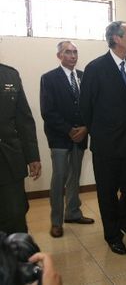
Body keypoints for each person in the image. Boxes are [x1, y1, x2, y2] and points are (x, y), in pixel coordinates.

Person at [79, 21, 126, 255]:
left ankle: (124, 221)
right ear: (116, 39)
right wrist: (100, 133)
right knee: (107, 192)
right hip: (106, 145)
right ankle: (112, 234)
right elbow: (86, 107)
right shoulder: (95, 68)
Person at [40, 41, 94, 239]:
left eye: (75, 52)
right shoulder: (49, 78)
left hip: (81, 136)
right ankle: (56, 222)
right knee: (59, 178)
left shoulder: (83, 77)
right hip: (60, 138)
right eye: (68, 52)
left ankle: (73, 213)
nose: (73, 56)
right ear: (59, 56)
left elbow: (90, 105)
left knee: (75, 176)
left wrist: (86, 128)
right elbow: (48, 111)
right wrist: (70, 130)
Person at [0, 63, 41, 234]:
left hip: (8, 159)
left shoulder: (10, 75)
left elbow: (23, 120)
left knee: (16, 213)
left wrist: (33, 156)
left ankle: (17, 258)